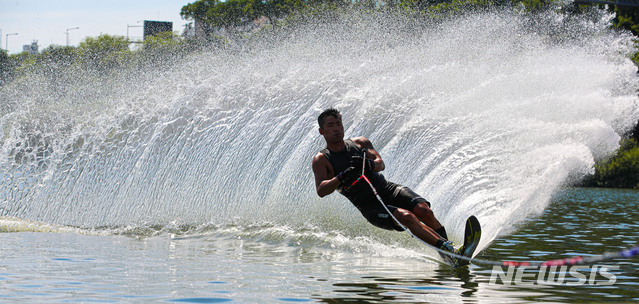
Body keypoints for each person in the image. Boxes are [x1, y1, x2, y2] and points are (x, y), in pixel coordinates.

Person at [311, 108, 470, 265]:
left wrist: (369, 164)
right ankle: (450, 251)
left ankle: (449, 256)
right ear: (321, 131)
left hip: (387, 189)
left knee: (424, 211)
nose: (337, 129)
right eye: (331, 125)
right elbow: (321, 190)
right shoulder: (322, 159)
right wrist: (340, 177)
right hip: (370, 206)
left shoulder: (360, 143)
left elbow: (381, 164)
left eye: (339, 124)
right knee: (406, 217)